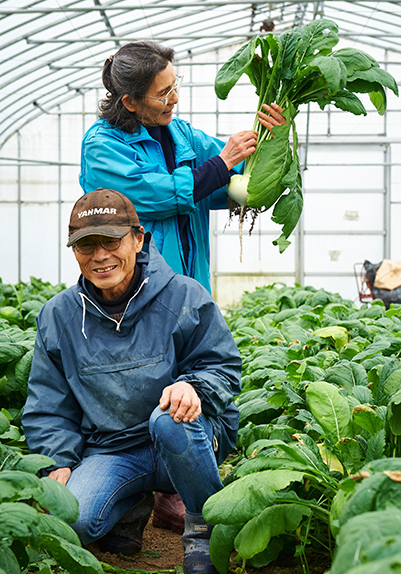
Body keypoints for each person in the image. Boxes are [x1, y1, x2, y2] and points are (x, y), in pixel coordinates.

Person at [22, 188, 242, 574]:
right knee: (74, 519)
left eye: (111, 241)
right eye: (86, 245)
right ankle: (131, 507)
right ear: (73, 251)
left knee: (168, 419)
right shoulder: (59, 316)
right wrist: (57, 461)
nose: (100, 255)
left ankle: (203, 528)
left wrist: (193, 386)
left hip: (186, 438)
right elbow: (47, 405)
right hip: (114, 449)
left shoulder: (185, 295)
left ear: (138, 238)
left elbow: (222, 367)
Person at [79, 40, 285, 295]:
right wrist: (221, 164)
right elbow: (157, 195)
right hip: (138, 291)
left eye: (175, 85)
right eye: (164, 93)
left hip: (193, 283)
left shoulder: (182, 135)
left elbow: (240, 173)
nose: (174, 99)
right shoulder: (101, 147)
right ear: (130, 102)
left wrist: (274, 141)